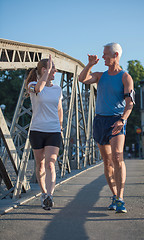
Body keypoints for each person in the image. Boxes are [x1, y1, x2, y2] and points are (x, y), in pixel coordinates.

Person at [79, 43, 134, 213]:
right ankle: (115, 195)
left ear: (115, 55)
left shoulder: (125, 77)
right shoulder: (100, 76)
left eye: (105, 55)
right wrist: (89, 65)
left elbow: (130, 104)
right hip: (100, 121)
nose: (102, 57)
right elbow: (82, 79)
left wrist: (122, 120)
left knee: (117, 156)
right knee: (107, 161)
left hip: (116, 120)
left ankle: (121, 198)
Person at [25, 55, 63, 210]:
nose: (56, 71)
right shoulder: (32, 84)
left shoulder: (57, 89)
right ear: (44, 70)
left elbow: (59, 109)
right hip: (37, 130)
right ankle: (43, 193)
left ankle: (49, 196)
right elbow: (39, 89)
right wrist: (45, 75)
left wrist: (60, 126)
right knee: (40, 165)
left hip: (53, 131)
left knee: (50, 163)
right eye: (53, 68)